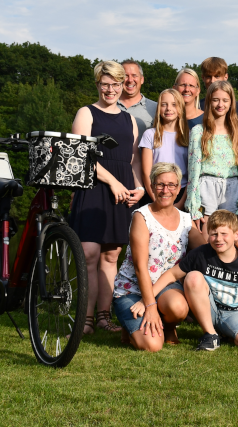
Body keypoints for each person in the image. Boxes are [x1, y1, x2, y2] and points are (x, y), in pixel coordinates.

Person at [69, 60, 145, 334]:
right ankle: (85, 321)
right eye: (105, 84)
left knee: (111, 256)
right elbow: (81, 156)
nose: (110, 89)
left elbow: (133, 160)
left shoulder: (129, 120)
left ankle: (103, 318)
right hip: (93, 188)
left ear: (123, 84)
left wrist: (140, 187)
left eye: (115, 84)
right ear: (98, 84)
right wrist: (112, 181)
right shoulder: (86, 113)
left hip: (121, 191)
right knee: (88, 254)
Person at [151, 209, 238, 351]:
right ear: (208, 235)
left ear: (237, 235)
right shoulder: (201, 254)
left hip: (236, 312)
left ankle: (225, 333)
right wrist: (148, 300)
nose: (219, 239)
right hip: (208, 309)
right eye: (214, 234)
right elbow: (172, 274)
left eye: (224, 234)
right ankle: (211, 334)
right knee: (193, 276)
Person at [111, 163, 193, 351]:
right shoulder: (141, 216)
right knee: (153, 345)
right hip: (132, 289)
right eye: (160, 185)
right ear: (152, 186)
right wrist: (150, 306)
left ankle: (168, 326)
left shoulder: (186, 220)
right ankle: (128, 324)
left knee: (179, 307)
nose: (166, 190)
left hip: (165, 288)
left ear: (179, 187)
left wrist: (236, 242)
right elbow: (140, 267)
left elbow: (208, 247)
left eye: (171, 185)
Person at [185, 81, 238, 233]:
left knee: (228, 236)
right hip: (207, 187)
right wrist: (194, 205)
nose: (220, 104)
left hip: (231, 187)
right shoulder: (198, 131)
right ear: (208, 102)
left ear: (231, 103)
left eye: (225, 100)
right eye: (216, 100)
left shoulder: (237, 132)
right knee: (208, 237)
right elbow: (193, 170)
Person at [140, 89, 189, 208]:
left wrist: (181, 203)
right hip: (156, 192)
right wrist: (155, 199)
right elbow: (146, 172)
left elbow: (192, 174)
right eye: (164, 104)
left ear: (180, 108)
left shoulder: (190, 136)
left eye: (174, 104)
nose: (168, 108)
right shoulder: (150, 135)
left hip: (181, 193)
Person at [199, 56, 238, 125]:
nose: (212, 81)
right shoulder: (197, 107)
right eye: (208, 76)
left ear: (226, 77)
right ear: (203, 78)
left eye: (217, 76)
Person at [118, 60, 158, 130]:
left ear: (142, 79)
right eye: (125, 76)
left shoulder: (156, 108)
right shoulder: (107, 106)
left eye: (134, 75)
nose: (130, 80)